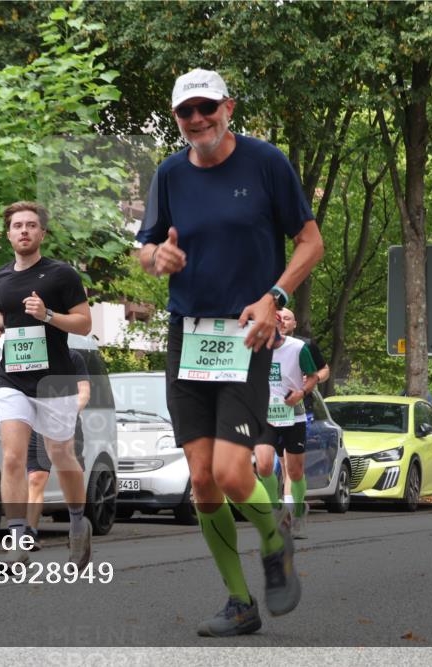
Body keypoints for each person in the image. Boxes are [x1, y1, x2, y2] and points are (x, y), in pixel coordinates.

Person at [136, 68, 324, 637]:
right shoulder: (170, 173)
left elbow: (310, 241)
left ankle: (275, 539)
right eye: (185, 112)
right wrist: (154, 261)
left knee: (231, 471)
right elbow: (147, 247)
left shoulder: (266, 163)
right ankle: (240, 603)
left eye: (206, 108)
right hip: (187, 335)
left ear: (228, 107)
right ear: (176, 119)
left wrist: (276, 296)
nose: (197, 120)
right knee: (200, 480)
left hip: (247, 334)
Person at [0, 201, 94, 569]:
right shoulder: (0, 277)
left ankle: (79, 522)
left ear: (42, 233)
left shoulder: (62, 275)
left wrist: (47, 314)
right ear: (9, 233)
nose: (24, 231)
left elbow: (84, 324)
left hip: (54, 380)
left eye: (31, 225)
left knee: (61, 456)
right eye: (17, 226)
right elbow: (4, 311)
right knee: (13, 456)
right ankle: (17, 539)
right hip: (12, 375)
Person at [255, 327, 319, 540]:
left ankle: (299, 512)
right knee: (263, 466)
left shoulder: (298, 348)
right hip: (265, 416)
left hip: (293, 415)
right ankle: (277, 508)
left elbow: (313, 376)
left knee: (295, 471)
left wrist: (301, 392)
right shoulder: (252, 347)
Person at [25, 349, 92, 549]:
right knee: (36, 477)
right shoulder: (31, 356)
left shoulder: (73, 358)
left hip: (67, 423)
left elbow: (84, 393)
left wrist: (69, 413)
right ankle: (29, 533)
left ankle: (77, 528)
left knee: (71, 474)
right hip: (37, 424)